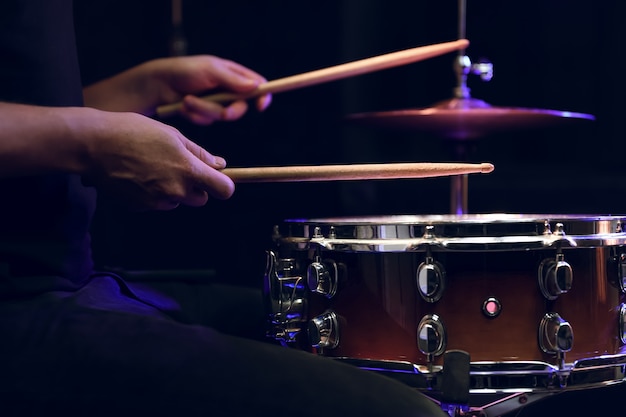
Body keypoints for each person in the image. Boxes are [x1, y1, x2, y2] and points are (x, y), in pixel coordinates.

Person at [0, 0, 448, 416]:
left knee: (380, 348)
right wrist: (89, 140)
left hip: (75, 282)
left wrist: (143, 88)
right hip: (18, 306)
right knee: (397, 410)